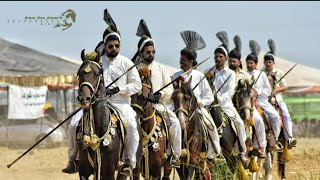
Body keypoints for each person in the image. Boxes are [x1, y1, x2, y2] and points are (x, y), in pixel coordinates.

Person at [62, 9, 142, 175]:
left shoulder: (127, 63)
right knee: (72, 125)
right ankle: (73, 159)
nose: (114, 48)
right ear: (105, 46)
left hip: (121, 103)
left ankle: (129, 162)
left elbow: (137, 85)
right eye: (110, 46)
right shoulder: (97, 63)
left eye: (117, 46)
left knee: (133, 126)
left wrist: (120, 89)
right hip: (96, 103)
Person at [131, 19, 181, 167]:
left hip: (159, 107)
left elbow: (170, 89)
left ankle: (175, 155)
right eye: (148, 52)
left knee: (176, 124)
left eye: (153, 52)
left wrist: (159, 96)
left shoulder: (160, 68)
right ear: (141, 52)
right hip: (137, 109)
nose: (151, 54)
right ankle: (126, 158)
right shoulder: (133, 69)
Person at [172, 30, 226, 165]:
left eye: (183, 60)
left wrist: (201, 102)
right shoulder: (175, 75)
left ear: (191, 61)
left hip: (197, 109)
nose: (180, 62)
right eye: (180, 59)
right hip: (179, 107)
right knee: (169, 124)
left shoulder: (199, 76)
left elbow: (209, 96)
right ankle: (172, 153)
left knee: (211, 126)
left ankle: (215, 153)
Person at [205, 31, 248, 162]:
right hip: (208, 105)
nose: (217, 59)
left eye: (220, 57)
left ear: (225, 58)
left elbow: (229, 92)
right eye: (215, 56)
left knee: (239, 123)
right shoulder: (208, 72)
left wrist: (217, 99)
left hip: (226, 105)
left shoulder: (230, 74)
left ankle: (241, 150)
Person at [228, 35, 266, 158]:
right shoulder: (225, 74)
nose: (232, 63)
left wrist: (252, 94)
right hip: (228, 104)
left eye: (234, 61)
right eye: (230, 61)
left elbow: (251, 91)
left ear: (239, 62)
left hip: (244, 104)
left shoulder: (245, 75)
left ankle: (259, 146)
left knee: (259, 120)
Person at [245, 40, 282, 152]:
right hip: (247, 103)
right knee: (257, 121)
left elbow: (268, 90)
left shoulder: (261, 75)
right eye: (248, 62)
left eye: (251, 63)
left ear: (256, 64)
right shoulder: (244, 74)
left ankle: (272, 141)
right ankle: (257, 145)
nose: (249, 65)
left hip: (261, 102)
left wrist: (258, 92)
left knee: (276, 116)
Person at [263, 39, 297, 149]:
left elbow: (285, 87)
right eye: (266, 62)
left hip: (277, 99)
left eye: (270, 62)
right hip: (264, 101)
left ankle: (289, 137)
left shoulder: (279, 73)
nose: (268, 64)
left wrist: (276, 90)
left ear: (273, 63)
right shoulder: (261, 74)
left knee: (286, 115)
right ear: (264, 63)